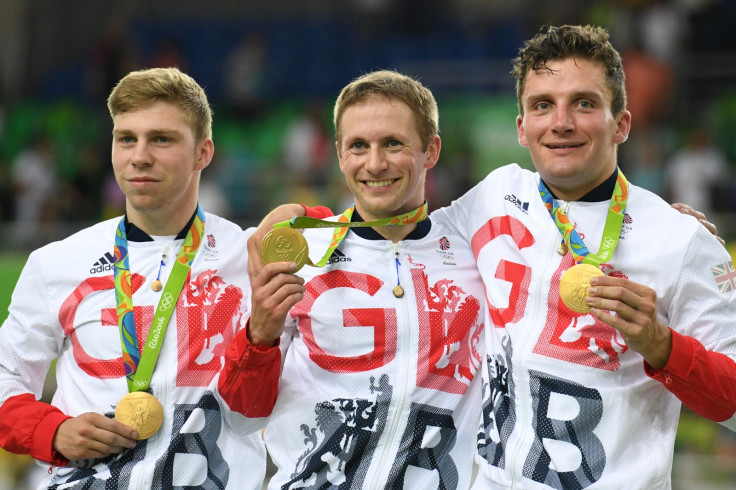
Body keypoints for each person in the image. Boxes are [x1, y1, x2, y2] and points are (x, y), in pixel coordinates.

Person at [430, 24, 736, 488]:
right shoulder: (493, 196)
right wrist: (298, 218)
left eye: (584, 103)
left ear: (622, 124)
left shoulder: (680, 241)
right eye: (542, 106)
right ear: (521, 127)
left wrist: (662, 346)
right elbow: (398, 233)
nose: (561, 122)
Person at [218, 70, 486, 488]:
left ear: (431, 150)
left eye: (393, 144)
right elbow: (241, 418)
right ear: (340, 154)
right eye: (358, 146)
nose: (375, 163)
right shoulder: (301, 252)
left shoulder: (475, 250)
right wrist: (260, 336)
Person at [0, 67, 266, 489]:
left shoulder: (248, 256)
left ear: (203, 152)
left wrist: (296, 217)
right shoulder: (57, 263)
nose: (139, 155)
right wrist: (52, 431)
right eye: (126, 138)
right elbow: (4, 375)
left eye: (162, 139)